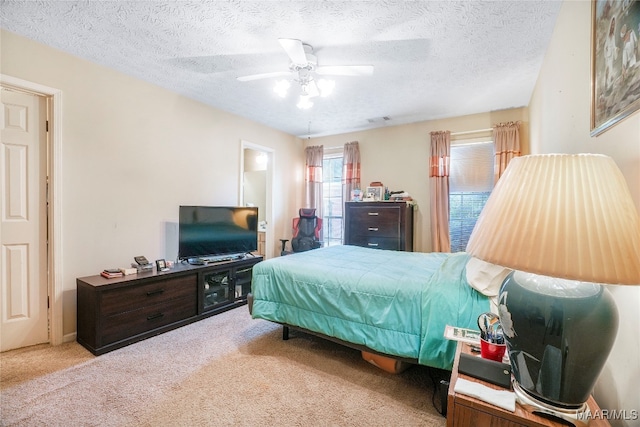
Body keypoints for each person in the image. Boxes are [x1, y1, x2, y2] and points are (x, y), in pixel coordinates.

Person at [604, 16, 618, 89]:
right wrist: (606, 51)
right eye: (612, 24)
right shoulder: (608, 36)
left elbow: (614, 45)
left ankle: (610, 83)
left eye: (614, 24)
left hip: (611, 55)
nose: (613, 26)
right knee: (608, 69)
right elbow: (605, 46)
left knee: (611, 69)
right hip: (608, 56)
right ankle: (607, 83)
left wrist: (616, 49)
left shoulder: (613, 35)